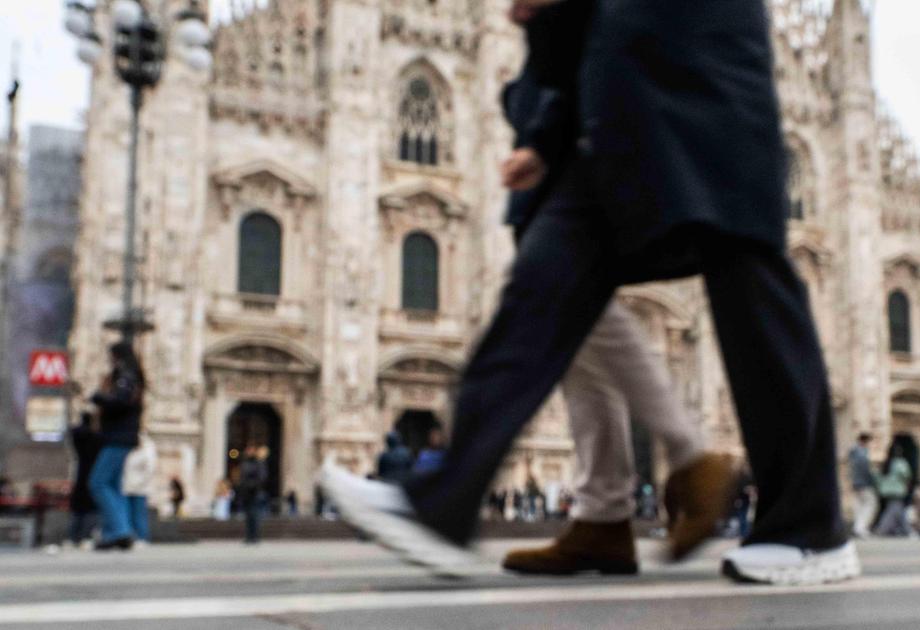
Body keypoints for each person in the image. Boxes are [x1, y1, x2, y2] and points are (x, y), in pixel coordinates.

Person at [320, 0, 857, 586]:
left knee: (752, 285)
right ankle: (441, 503)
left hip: (705, 80)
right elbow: (586, 29)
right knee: (543, 280)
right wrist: (546, 136)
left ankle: (811, 530)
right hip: (612, 117)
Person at [495, 50, 721, 575]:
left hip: (604, 131)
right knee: (578, 321)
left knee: (572, 296)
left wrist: (545, 128)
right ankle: (605, 514)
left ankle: (686, 459)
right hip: (577, 124)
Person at [88, 342, 145, 551]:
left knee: (98, 482)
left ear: (117, 356)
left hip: (119, 437)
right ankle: (116, 532)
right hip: (122, 436)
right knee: (113, 485)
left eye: (111, 356)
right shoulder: (130, 374)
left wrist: (98, 398)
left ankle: (120, 531)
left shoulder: (125, 375)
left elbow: (120, 402)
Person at [68, 412, 102, 549]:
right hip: (94, 473)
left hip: (81, 474)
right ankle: (86, 536)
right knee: (91, 508)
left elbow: (74, 431)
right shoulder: (96, 437)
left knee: (79, 509)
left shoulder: (79, 436)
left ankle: (74, 537)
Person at [121, 432, 158, 546]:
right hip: (125, 485)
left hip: (140, 487)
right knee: (126, 513)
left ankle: (142, 537)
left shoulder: (147, 446)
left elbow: (150, 467)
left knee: (138, 513)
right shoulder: (125, 441)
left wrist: (141, 482)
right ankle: (129, 536)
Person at [874, 444, 914, 537]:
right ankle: (882, 529)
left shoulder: (886, 463)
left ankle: (902, 529)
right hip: (897, 491)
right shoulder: (901, 463)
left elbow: (877, 477)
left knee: (896, 510)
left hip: (885, 490)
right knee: (894, 511)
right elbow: (907, 475)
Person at [848, 433, 877, 539]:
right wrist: (872, 481)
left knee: (859, 506)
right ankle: (860, 528)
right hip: (863, 483)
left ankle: (857, 527)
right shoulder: (862, 453)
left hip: (855, 483)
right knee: (870, 504)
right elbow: (865, 470)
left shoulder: (853, 453)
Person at [239, 445, 268, 544]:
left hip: (255, 493)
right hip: (246, 494)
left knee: (254, 515)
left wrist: (252, 486)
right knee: (248, 516)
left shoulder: (259, 463)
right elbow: (242, 478)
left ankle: (255, 536)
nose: (249, 452)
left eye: (251, 450)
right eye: (248, 450)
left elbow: (262, 478)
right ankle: (249, 536)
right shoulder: (245, 463)